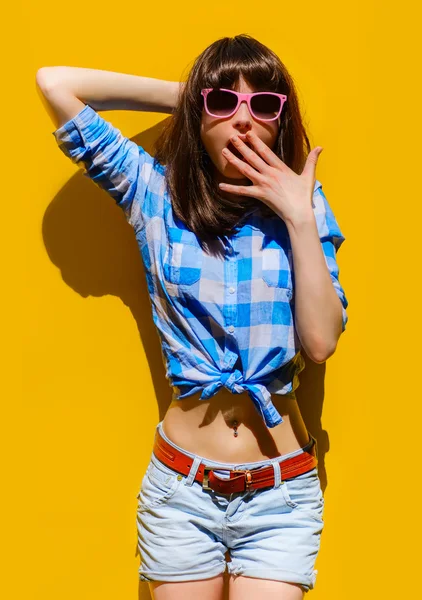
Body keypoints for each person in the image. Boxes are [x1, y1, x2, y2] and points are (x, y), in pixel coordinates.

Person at [37, 34, 348, 600]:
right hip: (183, 491)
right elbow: (55, 84)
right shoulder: (152, 193)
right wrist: (188, 95)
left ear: (282, 119)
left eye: (263, 105)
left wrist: (300, 220)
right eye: (223, 103)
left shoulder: (307, 206)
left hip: (281, 495)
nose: (243, 121)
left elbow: (322, 342)